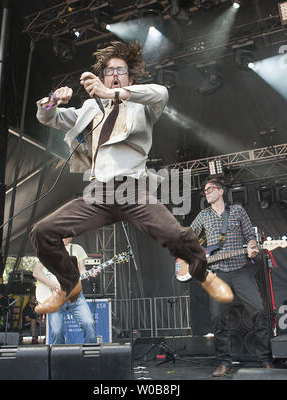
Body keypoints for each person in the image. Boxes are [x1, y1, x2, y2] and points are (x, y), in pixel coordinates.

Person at [30, 40, 233, 315]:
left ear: (130, 78)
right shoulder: (90, 109)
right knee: (43, 232)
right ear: (101, 77)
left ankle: (204, 276)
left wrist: (114, 94)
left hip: (132, 190)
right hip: (98, 193)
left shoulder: (142, 105)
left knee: (177, 235)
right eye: (109, 71)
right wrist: (54, 99)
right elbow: (48, 117)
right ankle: (69, 285)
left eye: (120, 71)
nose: (114, 75)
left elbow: (160, 92)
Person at [191, 177, 272, 376]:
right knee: (218, 318)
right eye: (205, 190)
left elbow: (250, 238)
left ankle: (265, 359)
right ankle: (224, 363)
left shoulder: (237, 211)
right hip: (217, 274)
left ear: (220, 191)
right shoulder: (203, 215)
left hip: (239, 269)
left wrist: (252, 248)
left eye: (209, 189)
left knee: (259, 311)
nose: (206, 192)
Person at [33, 237, 97, 344]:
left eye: (71, 235)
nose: (69, 238)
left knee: (89, 323)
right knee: (57, 332)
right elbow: (36, 272)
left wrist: (90, 273)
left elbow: (82, 271)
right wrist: (52, 284)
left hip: (75, 295)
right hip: (54, 297)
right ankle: (59, 358)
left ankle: (90, 355)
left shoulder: (77, 249)